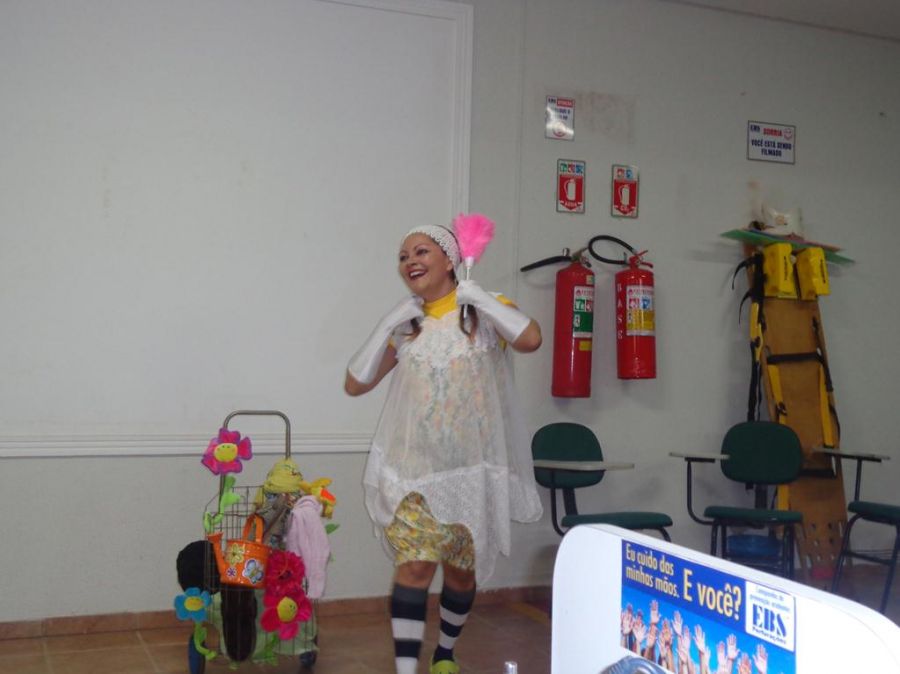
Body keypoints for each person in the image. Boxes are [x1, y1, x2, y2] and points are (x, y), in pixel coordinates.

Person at [344, 223, 543, 674]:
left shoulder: (484, 313)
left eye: (421, 251)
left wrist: (482, 299)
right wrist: (387, 324)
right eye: (403, 256)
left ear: (450, 259)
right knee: (413, 569)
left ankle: (445, 652)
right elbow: (355, 383)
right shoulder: (407, 327)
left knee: (460, 574)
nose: (409, 261)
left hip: (470, 474)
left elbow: (531, 339)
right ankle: (406, 670)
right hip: (414, 473)